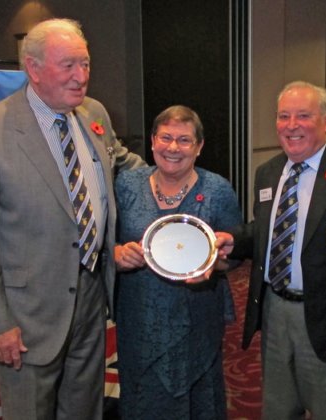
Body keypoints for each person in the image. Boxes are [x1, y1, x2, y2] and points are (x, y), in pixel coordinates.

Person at [0, 18, 144, 419]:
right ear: (33, 68)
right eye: (68, 65)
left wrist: (184, 179)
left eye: (85, 64)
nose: (81, 76)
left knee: (84, 409)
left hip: (91, 299)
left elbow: (125, 166)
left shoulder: (94, 113)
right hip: (26, 316)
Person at [219, 81, 326, 419]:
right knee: (278, 408)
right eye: (283, 116)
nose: (291, 126)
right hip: (274, 309)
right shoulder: (267, 172)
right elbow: (268, 229)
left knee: (325, 409)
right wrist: (236, 239)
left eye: (303, 116)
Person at [112, 105, 242, 419]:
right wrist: (116, 254)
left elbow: (235, 255)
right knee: (142, 396)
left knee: (197, 397)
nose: (173, 147)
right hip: (139, 314)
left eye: (184, 140)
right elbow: (105, 239)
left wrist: (215, 265)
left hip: (196, 315)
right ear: (153, 141)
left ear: (199, 147)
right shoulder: (127, 185)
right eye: (165, 137)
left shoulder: (218, 190)